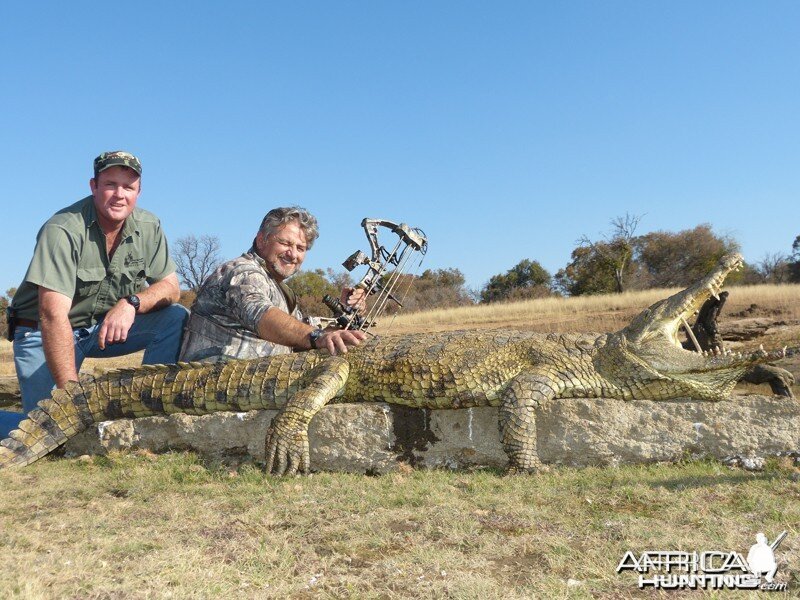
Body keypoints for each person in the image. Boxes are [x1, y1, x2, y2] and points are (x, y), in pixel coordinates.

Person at [0, 151, 188, 437]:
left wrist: (132, 303)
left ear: (138, 192)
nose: (119, 195)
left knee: (174, 317)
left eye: (128, 187)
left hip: (98, 330)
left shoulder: (150, 225)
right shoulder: (62, 229)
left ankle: (151, 413)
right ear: (93, 186)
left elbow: (171, 288)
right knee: (52, 433)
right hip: (43, 332)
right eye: (110, 184)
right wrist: (73, 399)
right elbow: (52, 315)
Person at [179, 206, 365, 362]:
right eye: (285, 243)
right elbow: (261, 314)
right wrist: (318, 337)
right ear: (262, 240)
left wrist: (343, 324)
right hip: (209, 382)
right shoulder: (242, 272)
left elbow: (298, 337)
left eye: (300, 248)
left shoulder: (278, 288)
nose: (293, 254)